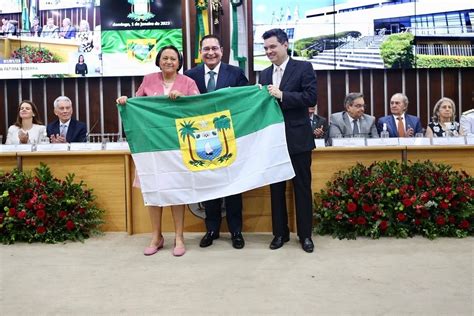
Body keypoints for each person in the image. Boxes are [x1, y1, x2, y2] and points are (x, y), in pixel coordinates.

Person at [117, 45, 200, 257]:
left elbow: (199, 109)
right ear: (159, 60)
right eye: (165, 58)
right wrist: (126, 101)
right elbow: (136, 105)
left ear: (179, 62)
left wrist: (185, 99)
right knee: (153, 190)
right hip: (151, 146)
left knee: (176, 190)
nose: (169, 62)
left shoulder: (188, 83)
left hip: (177, 146)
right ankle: (156, 236)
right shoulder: (148, 80)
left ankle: (179, 237)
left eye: (173, 58)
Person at [184, 34, 249, 250]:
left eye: (214, 48)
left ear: (222, 50)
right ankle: (211, 229)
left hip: (229, 138)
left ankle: (236, 232)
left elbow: (246, 101)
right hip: (201, 140)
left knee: (232, 186)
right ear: (200, 52)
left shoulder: (236, 73)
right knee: (209, 185)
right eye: (206, 49)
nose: (210, 53)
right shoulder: (190, 76)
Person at [258, 28, 317, 253]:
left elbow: (311, 98)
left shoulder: (304, 67)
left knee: (302, 188)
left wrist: (282, 95)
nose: (269, 51)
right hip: (273, 142)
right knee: (276, 189)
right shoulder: (263, 74)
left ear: (284, 44)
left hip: (298, 139)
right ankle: (279, 234)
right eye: (265, 48)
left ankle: (305, 236)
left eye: (272, 46)